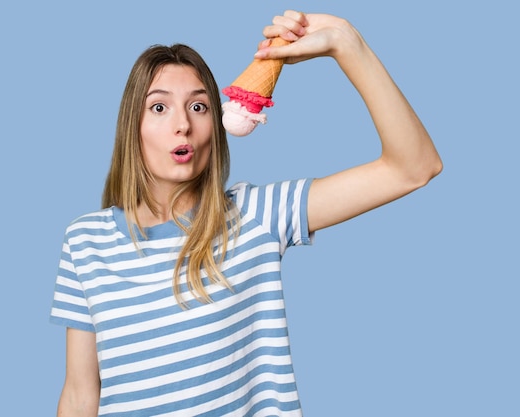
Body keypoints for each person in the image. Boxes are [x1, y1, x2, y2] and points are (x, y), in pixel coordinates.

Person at [50, 10, 442, 417]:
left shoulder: (257, 215)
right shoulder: (85, 241)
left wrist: (347, 42)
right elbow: (80, 395)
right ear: (132, 125)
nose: (182, 124)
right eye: (159, 108)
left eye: (199, 106)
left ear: (215, 126)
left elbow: (414, 167)